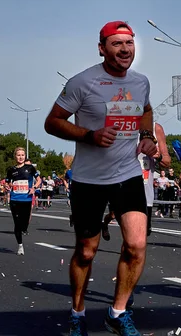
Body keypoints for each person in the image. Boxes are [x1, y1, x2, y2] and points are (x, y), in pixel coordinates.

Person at [44, 20, 157, 336]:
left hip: (128, 174)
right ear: (102, 48)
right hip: (89, 180)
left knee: (136, 245)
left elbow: (145, 109)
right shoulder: (82, 82)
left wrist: (146, 134)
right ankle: (77, 313)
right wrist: (90, 135)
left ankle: (117, 313)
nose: (125, 49)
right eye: (117, 43)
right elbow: (52, 122)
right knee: (86, 251)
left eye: (129, 43)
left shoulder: (140, 82)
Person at [6, 147, 41, 255]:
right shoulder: (11, 169)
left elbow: (39, 180)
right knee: (17, 223)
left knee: (24, 223)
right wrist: (8, 186)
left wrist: (34, 187)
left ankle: (23, 229)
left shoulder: (30, 168)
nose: (21, 157)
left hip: (26, 198)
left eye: (22, 155)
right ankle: (20, 245)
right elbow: (7, 182)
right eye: (18, 155)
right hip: (15, 199)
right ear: (15, 156)